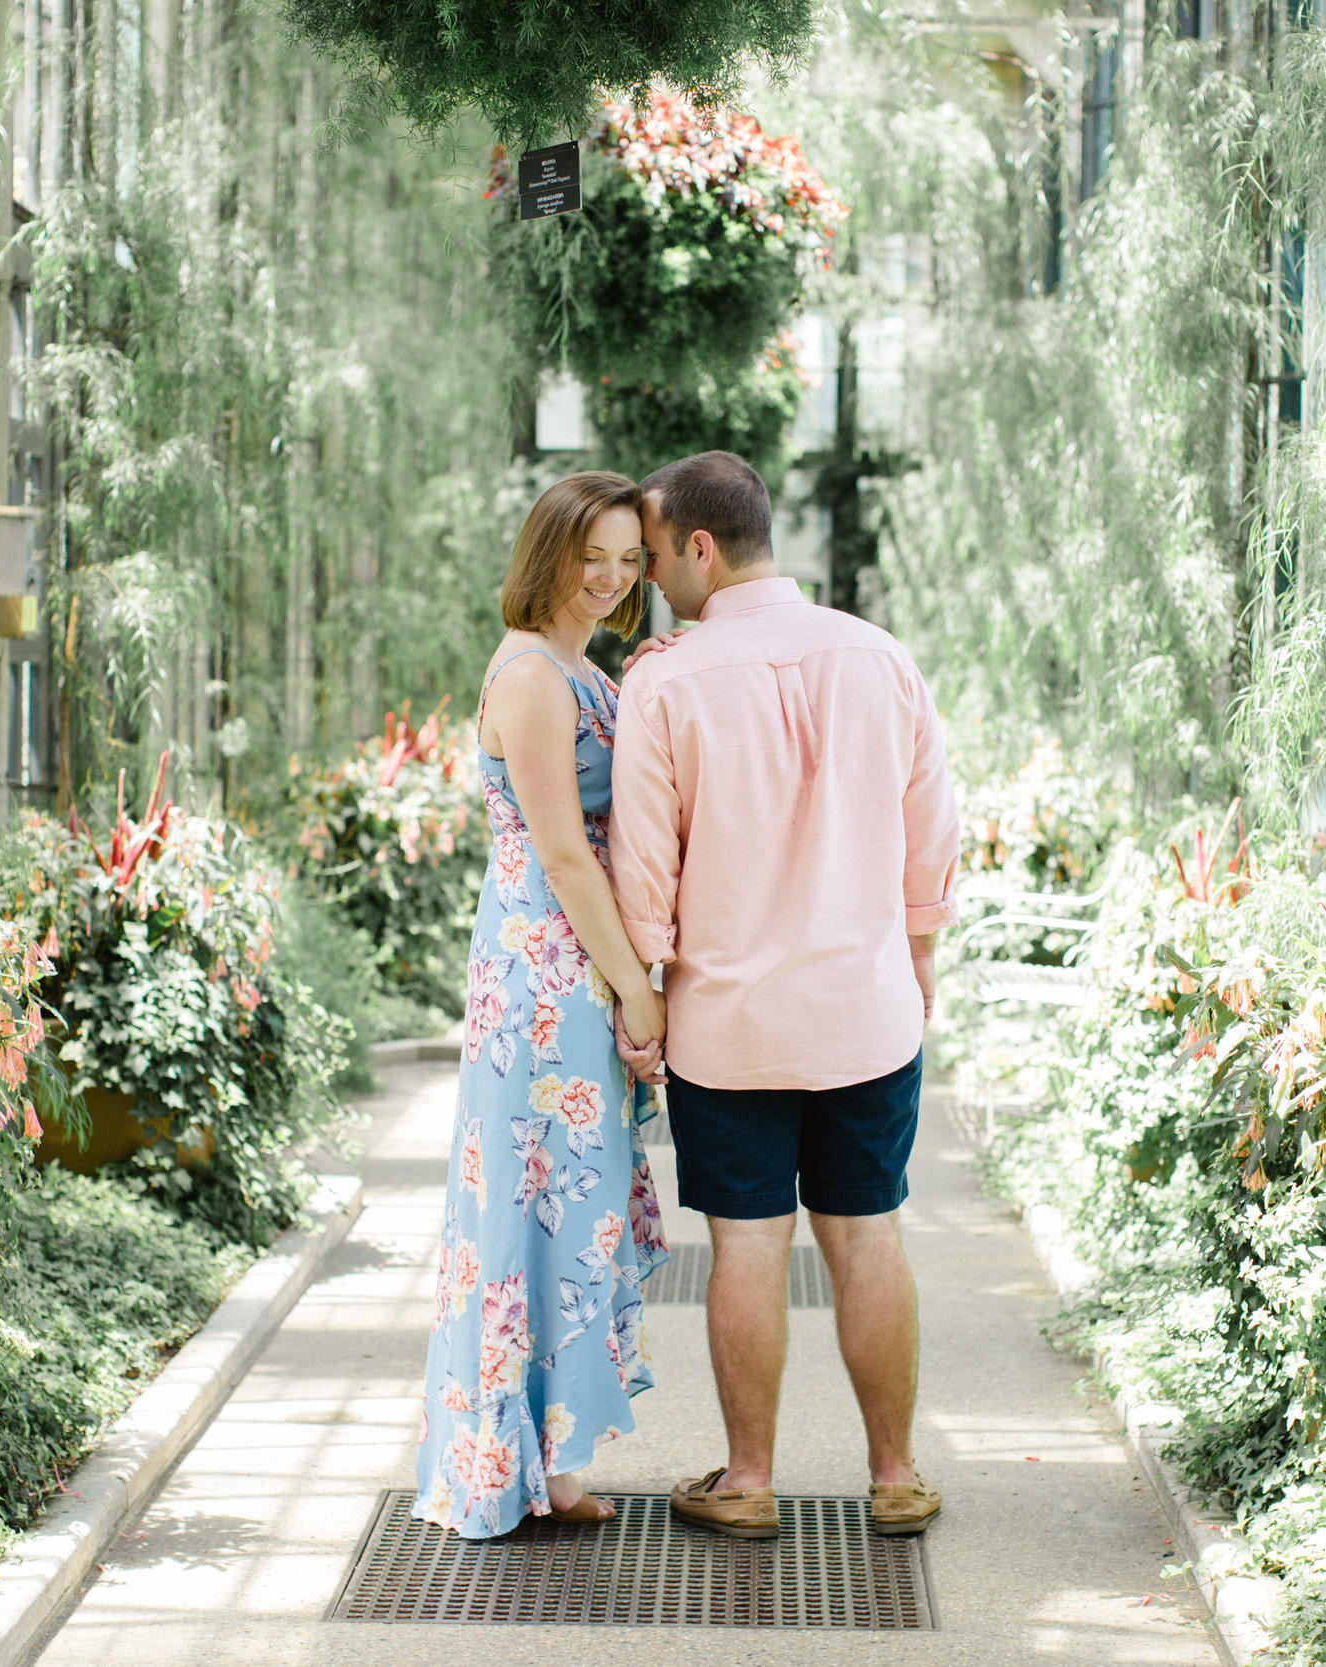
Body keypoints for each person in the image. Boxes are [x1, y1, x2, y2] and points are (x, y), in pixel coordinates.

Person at [608, 450, 959, 1540]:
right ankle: (895, 1473)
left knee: (749, 1245)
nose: (650, 579)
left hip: (730, 1025)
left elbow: (643, 861)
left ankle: (750, 1479)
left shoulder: (665, 679)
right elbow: (931, 824)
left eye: (657, 556)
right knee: (866, 1236)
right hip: (865, 1010)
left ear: (701, 548)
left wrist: (646, 991)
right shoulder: (878, 655)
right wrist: (919, 951)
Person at [413, 471, 670, 1538]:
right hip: (547, 967)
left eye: (627, 559)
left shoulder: (579, 665)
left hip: (568, 960)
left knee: (567, 1197)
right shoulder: (529, 673)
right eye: (591, 556)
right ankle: (516, 1460)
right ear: (549, 552)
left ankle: (552, 1452)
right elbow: (565, 851)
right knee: (533, 1200)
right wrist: (635, 989)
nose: (610, 578)